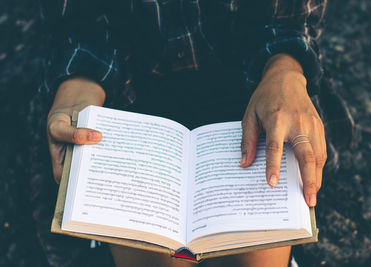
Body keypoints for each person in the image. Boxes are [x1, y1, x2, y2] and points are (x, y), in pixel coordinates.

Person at [40, 0, 328, 266]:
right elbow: (79, 24)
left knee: (258, 250)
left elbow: (288, 21)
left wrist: (285, 72)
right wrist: (78, 94)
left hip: (252, 90)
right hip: (127, 94)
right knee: (154, 255)